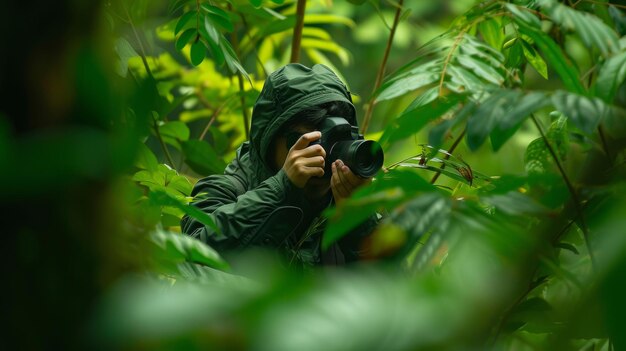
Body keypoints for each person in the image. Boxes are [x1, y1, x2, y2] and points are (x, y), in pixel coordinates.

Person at [181, 63, 379, 268]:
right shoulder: (225, 191)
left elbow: (399, 289)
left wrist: (359, 220)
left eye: (336, 140)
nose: (323, 154)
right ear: (269, 140)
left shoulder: (356, 198)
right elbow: (195, 252)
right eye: (312, 142)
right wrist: (282, 188)